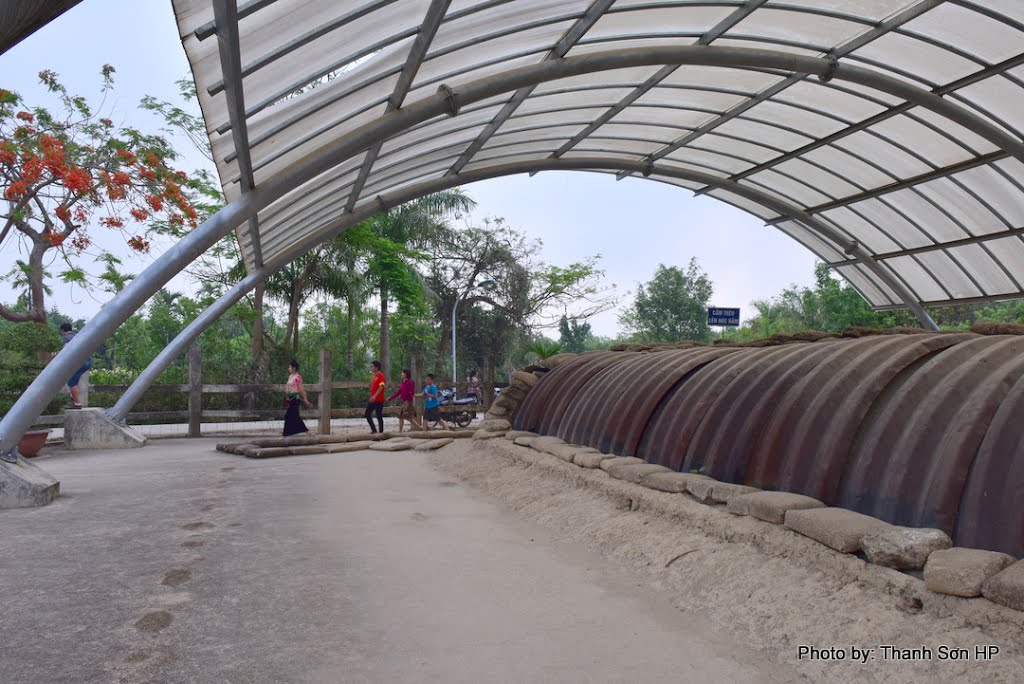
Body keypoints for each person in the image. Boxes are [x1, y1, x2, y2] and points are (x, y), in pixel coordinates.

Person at [60, 322, 92, 409]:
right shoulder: (78, 336)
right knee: (75, 379)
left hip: (80, 363)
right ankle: (73, 396)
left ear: (63, 330)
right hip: (88, 361)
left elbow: (64, 351)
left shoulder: (66, 338)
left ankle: (77, 404)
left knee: (71, 382)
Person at [283, 359, 312, 436]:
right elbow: (288, 387)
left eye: (289, 367)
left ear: (294, 368)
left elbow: (302, 389)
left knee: (289, 415)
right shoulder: (290, 376)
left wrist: (306, 400)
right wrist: (287, 397)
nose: (288, 369)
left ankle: (287, 434)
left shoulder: (298, 377)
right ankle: (302, 432)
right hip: (290, 398)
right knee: (293, 416)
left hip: (295, 398)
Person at [365, 360, 386, 433]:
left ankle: (381, 433)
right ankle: (374, 430)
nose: (371, 368)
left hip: (379, 400)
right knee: (367, 414)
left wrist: (374, 396)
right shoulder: (375, 377)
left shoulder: (381, 376)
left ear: (376, 368)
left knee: (379, 416)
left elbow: (381, 386)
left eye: (372, 366)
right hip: (373, 400)